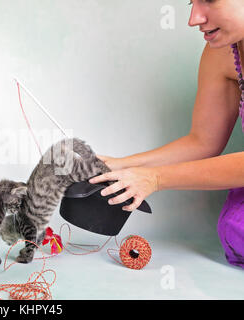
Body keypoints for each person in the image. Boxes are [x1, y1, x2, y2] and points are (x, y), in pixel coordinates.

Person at [89, 0, 244, 268]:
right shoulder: (220, 53)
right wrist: (120, 165)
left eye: (209, 0)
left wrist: (155, 178)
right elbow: (203, 141)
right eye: (190, 2)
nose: (193, 19)